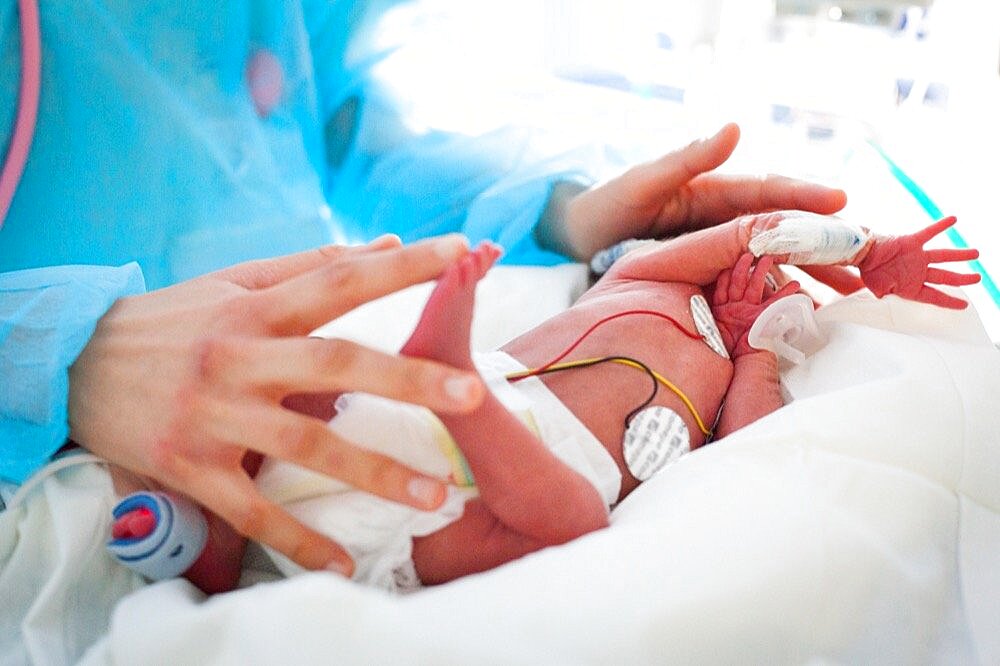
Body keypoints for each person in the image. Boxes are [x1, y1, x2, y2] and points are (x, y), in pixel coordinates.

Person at [0, 0, 851, 576]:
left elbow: (337, 119)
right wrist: (63, 351)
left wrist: (568, 218)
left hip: (326, 361)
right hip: (60, 439)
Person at [108, 212, 980, 592]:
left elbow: (742, 456)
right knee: (290, 397)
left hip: (508, 491)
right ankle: (203, 538)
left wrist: (757, 352)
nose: (761, 283)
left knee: (569, 522)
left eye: (770, 292)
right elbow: (755, 232)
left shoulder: (739, 367)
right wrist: (855, 248)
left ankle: (181, 546)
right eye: (744, 274)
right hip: (417, 412)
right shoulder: (642, 279)